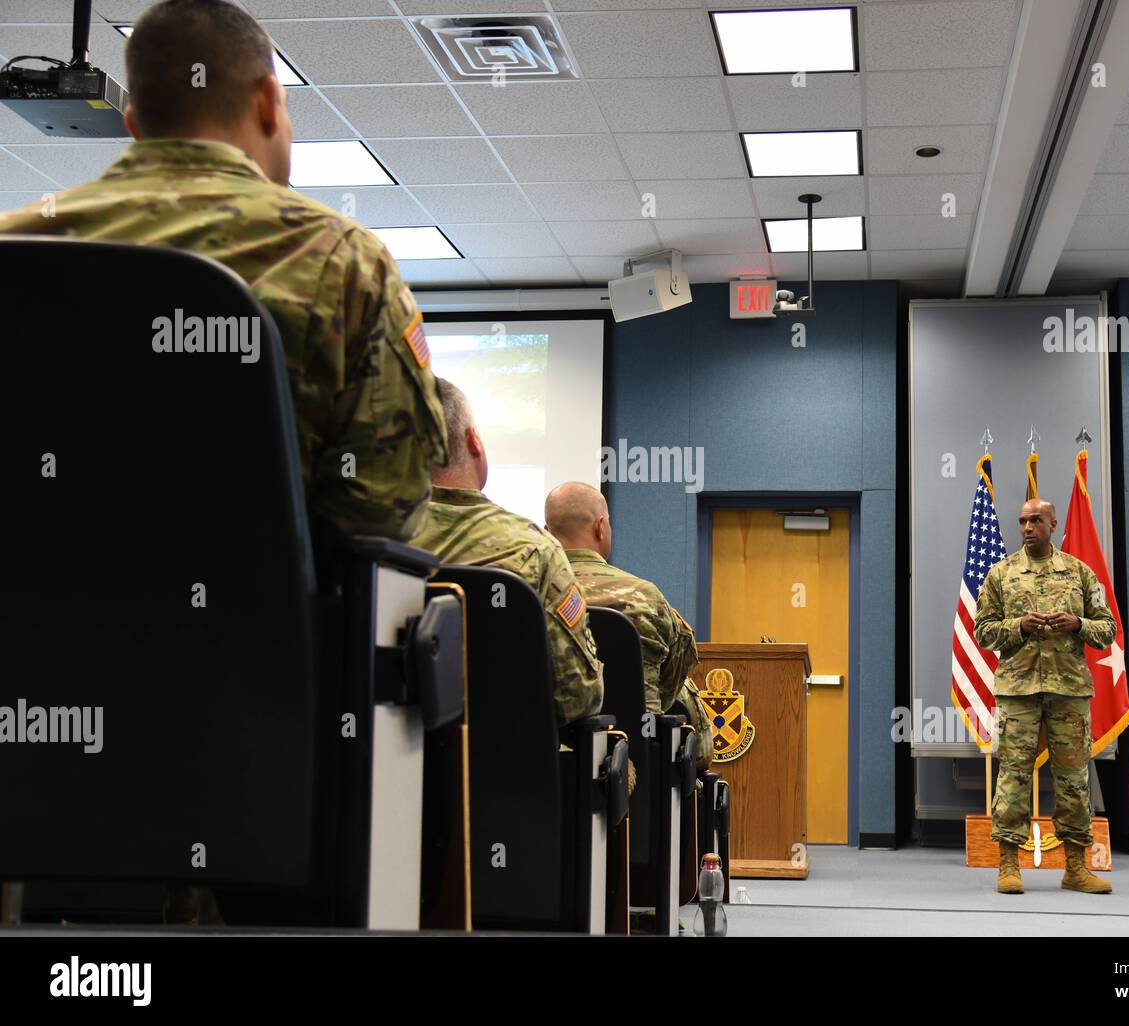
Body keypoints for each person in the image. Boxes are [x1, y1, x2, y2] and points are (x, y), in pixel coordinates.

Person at [0, 0, 447, 545]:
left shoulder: (17, 242)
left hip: (31, 620)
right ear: (267, 103)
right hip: (260, 625)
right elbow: (386, 509)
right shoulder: (346, 258)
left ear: (135, 124)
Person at [410, 381, 603, 725]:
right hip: (500, 771)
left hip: (367, 770)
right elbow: (577, 698)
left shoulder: (360, 542)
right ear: (474, 442)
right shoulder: (535, 550)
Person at [974, 497, 1116, 895]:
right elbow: (982, 632)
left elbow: (1108, 631)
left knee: (1073, 780)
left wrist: (1077, 623)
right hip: (1018, 690)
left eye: (1036, 520)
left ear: (1053, 524)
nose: (1027, 527)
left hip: (1068, 689)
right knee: (1013, 777)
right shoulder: (1001, 574)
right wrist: (1019, 625)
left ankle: (1075, 868)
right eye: (1022, 521)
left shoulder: (1078, 572)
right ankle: (1007, 865)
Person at [544, 481, 714, 771]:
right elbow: (669, 686)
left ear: (547, 534)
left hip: (541, 772)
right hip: (635, 773)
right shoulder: (646, 597)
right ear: (600, 527)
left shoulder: (527, 593)